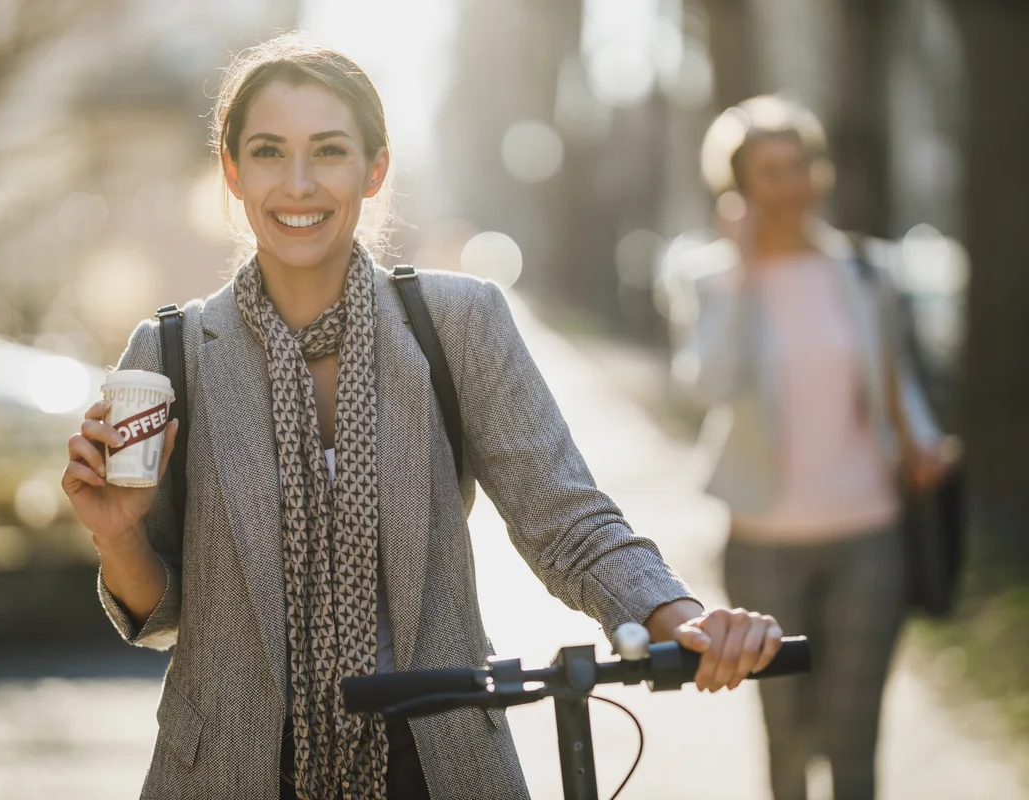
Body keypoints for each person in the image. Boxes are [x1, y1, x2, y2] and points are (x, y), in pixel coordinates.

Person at [63, 35, 784, 800]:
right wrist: (118, 533)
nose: (299, 184)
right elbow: (163, 611)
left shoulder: (458, 321)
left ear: (375, 170)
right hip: (228, 773)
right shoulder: (172, 352)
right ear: (232, 171)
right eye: (269, 152)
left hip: (438, 763)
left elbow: (566, 520)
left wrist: (676, 615)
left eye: (330, 151)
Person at [666, 96, 953, 800]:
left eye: (801, 165)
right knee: (787, 742)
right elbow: (705, 385)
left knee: (855, 742)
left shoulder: (865, 270)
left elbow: (895, 380)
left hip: (869, 534)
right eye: (771, 171)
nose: (792, 185)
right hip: (764, 542)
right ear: (738, 188)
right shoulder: (710, 279)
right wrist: (739, 271)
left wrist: (922, 442)